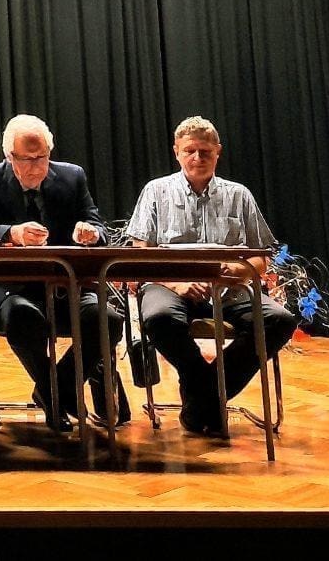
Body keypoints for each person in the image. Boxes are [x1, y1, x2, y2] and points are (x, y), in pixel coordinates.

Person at [126, 115, 297, 436]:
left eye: (205, 152)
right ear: (176, 152)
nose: (197, 158)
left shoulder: (239, 195)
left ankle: (202, 398)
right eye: (189, 151)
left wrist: (236, 271)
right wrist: (177, 282)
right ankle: (208, 398)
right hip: (169, 284)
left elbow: (261, 257)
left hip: (229, 287)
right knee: (160, 318)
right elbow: (141, 255)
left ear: (218, 152)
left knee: (280, 321)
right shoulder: (156, 191)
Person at [0, 114, 123, 430]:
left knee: (107, 319)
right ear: (9, 156)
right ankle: (58, 396)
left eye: (42, 157)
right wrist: (13, 233)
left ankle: (55, 392)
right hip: (13, 290)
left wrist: (90, 232)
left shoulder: (72, 176)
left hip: (69, 286)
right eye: (26, 159)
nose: (36, 166)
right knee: (23, 318)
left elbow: (98, 225)